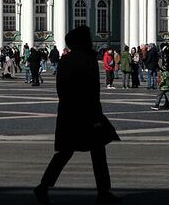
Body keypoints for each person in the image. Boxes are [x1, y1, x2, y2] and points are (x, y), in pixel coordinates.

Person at [33, 25, 119, 204]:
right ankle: (103, 192)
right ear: (83, 41)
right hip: (87, 115)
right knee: (98, 155)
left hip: (68, 113)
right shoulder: (88, 60)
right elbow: (93, 92)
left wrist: (68, 107)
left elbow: (61, 89)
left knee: (64, 153)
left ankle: (43, 186)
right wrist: (96, 117)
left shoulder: (66, 60)